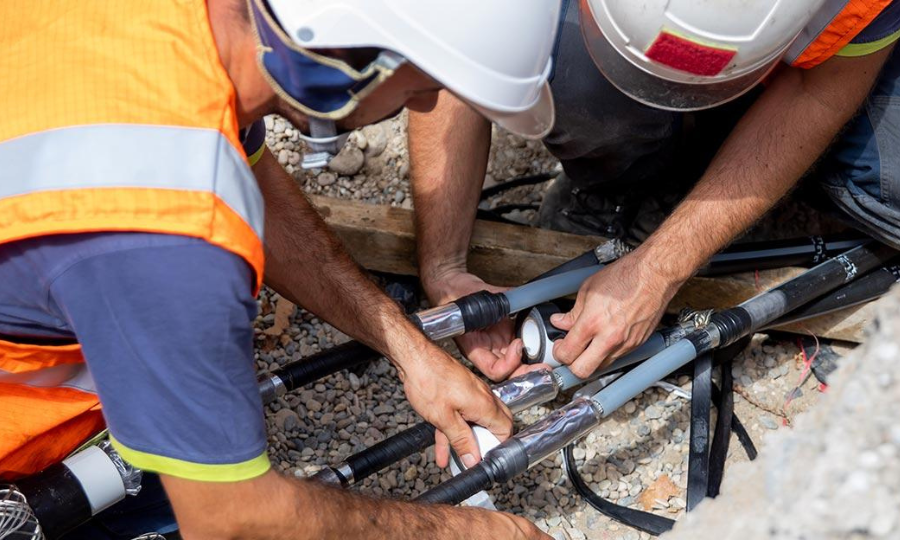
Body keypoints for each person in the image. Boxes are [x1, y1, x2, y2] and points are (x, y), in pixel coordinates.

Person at [0, 0, 561, 538]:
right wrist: (465, 533)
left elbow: (253, 179)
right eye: (422, 85)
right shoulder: (171, 235)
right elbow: (232, 521)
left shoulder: (184, 31)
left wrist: (408, 346)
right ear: (349, 53)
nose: (420, 107)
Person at [408, 0, 900, 382]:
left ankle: (751, 173)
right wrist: (444, 266)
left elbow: (815, 93)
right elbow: (454, 40)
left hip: (846, 43)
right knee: (561, 64)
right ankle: (628, 185)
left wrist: (659, 268)